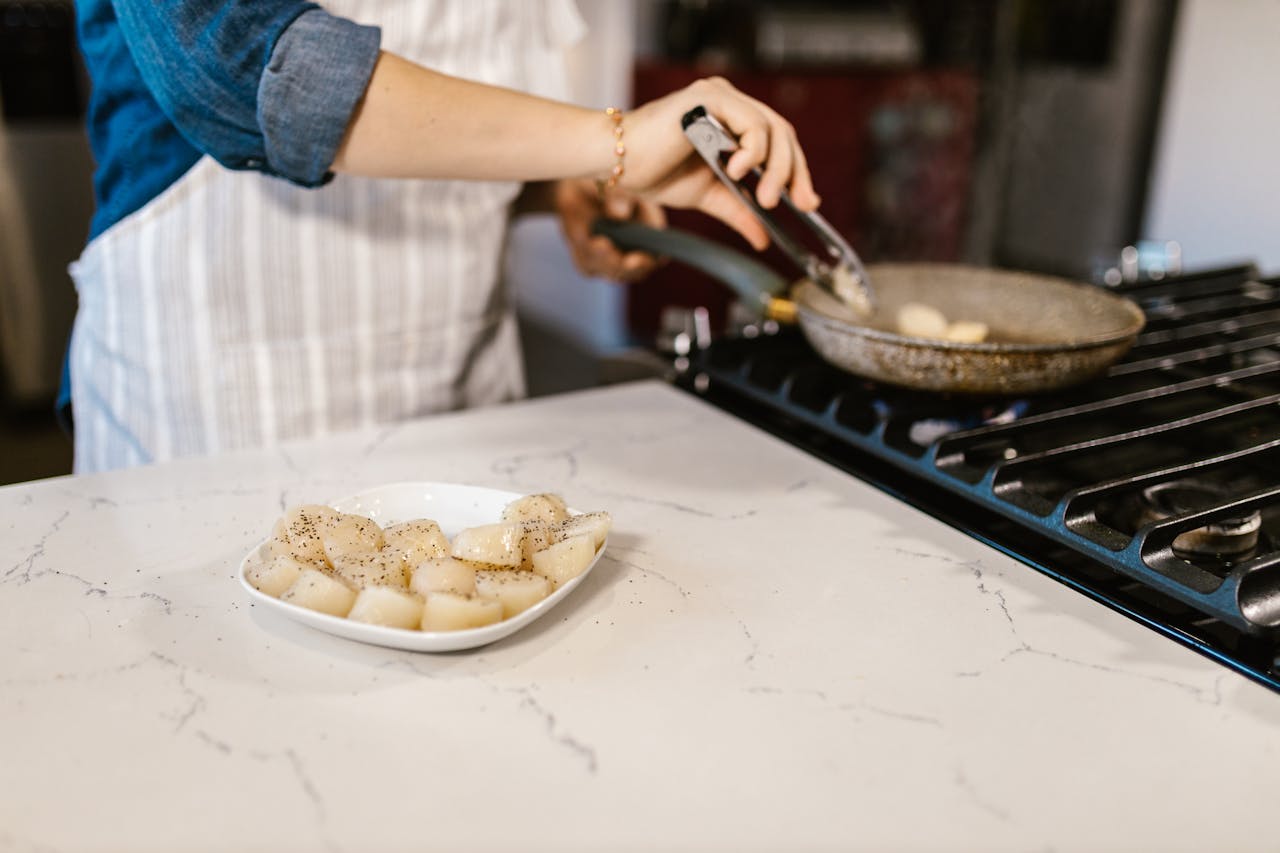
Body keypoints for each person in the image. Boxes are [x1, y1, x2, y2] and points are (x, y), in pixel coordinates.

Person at [69, 0, 820, 473]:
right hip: (224, 412)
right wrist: (611, 142)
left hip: (467, 395)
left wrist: (555, 183)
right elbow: (249, 71)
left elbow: (454, 88)